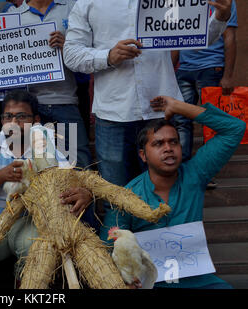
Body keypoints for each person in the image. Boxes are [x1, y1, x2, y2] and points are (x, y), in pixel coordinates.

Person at [63, 0, 233, 201]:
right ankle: (119, 233)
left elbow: (197, 37)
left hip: (159, 111)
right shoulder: (87, 3)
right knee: (115, 196)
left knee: (163, 195)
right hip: (113, 113)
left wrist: (220, 18)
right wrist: (108, 56)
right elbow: (71, 55)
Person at [0, 89, 95, 288]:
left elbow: (71, 183)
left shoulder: (47, 147)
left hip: (31, 222)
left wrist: (85, 193)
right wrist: (2, 175)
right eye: (8, 116)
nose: (13, 122)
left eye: (22, 116)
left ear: (36, 120)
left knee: (37, 249)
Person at [99, 95, 246, 289]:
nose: (168, 148)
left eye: (174, 142)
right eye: (158, 144)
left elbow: (235, 128)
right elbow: (107, 249)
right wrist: (123, 282)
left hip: (200, 282)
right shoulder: (127, 196)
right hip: (150, 283)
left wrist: (178, 107)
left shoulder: (196, 173)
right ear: (143, 155)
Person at [8, 0, 92, 170]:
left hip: (65, 100)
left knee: (80, 163)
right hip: (29, 106)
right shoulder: (12, 15)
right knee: (33, 164)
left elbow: (89, 53)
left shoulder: (72, 8)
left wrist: (67, 47)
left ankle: (84, 197)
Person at [171, 1, 237, 164]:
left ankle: (206, 169)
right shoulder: (182, 3)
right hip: (184, 69)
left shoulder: (225, 2)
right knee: (181, 120)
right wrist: (170, 73)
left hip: (211, 69)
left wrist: (227, 76)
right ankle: (183, 168)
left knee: (211, 122)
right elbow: (176, 40)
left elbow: (230, 37)